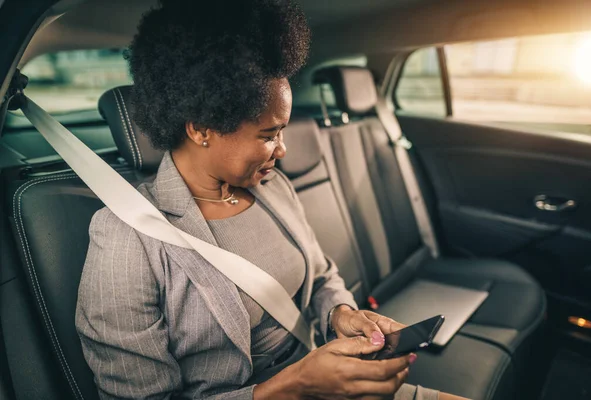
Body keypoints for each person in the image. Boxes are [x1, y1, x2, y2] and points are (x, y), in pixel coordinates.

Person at [75, 1, 468, 399]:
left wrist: (341, 314)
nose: (282, 150)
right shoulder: (126, 238)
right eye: (268, 134)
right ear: (201, 129)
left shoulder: (272, 188)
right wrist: (295, 385)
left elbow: (322, 275)